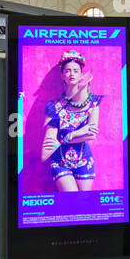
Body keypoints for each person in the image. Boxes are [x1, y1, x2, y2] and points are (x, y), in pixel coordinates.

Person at [41, 50, 102, 192]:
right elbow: (49, 144)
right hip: (59, 161)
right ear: (62, 75)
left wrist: (68, 136)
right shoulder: (54, 106)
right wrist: (78, 134)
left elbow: (91, 134)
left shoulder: (93, 102)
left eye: (76, 70)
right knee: (71, 198)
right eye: (67, 71)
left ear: (81, 74)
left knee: (84, 201)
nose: (72, 74)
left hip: (84, 159)